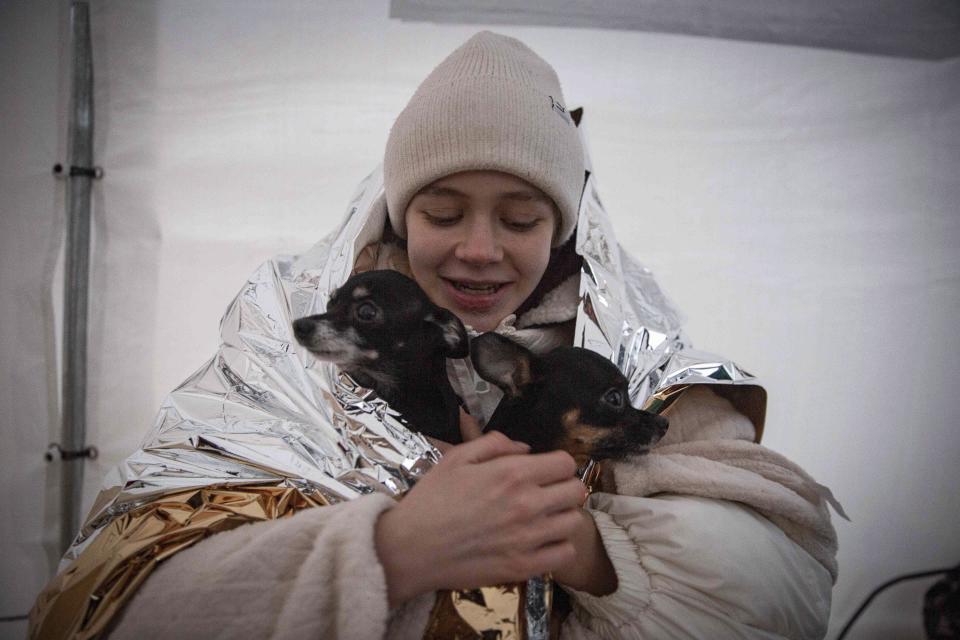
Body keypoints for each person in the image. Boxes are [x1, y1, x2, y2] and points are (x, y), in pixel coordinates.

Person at [36, 31, 840, 640]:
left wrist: (585, 550)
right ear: (397, 210)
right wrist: (391, 552)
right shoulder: (290, 339)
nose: (480, 249)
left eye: (520, 219)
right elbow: (105, 600)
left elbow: (785, 593)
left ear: (561, 229)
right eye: (443, 212)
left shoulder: (640, 358)